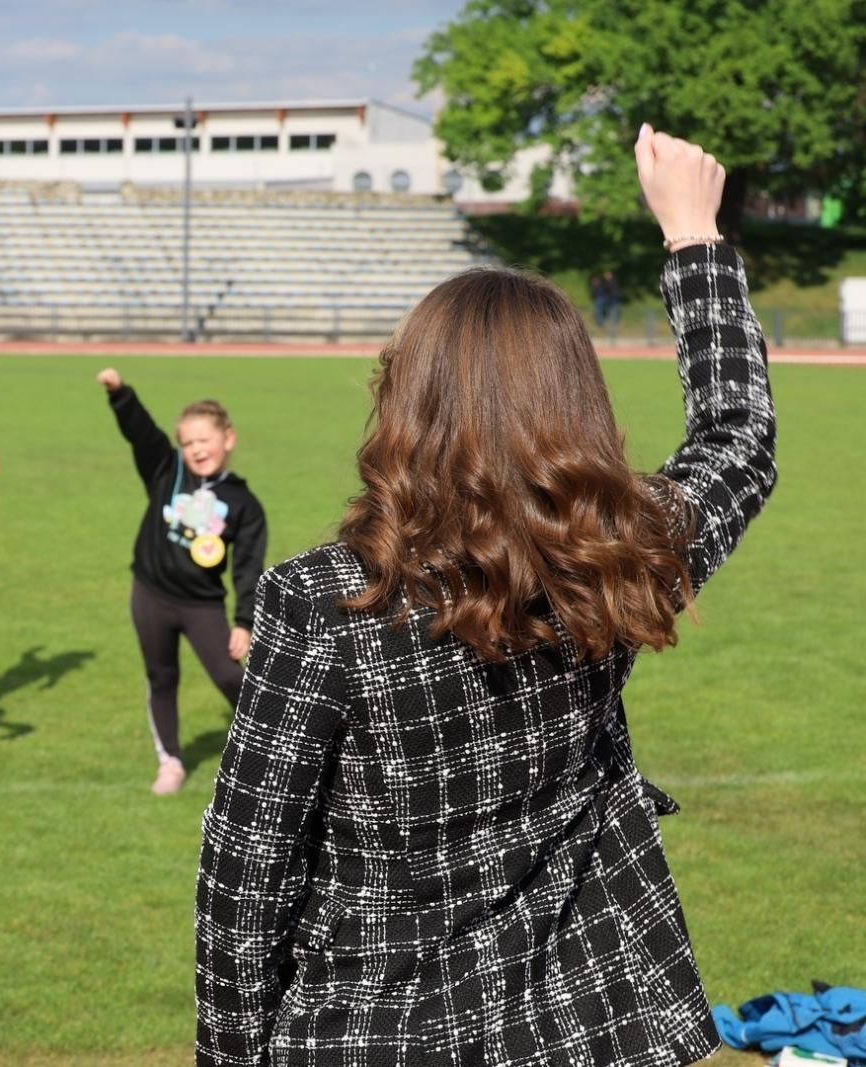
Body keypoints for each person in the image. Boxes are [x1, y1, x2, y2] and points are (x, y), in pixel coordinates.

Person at [194, 126, 777, 1065]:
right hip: (585, 1031)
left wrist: (229, 1053)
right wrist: (694, 237)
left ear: (406, 399)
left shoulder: (324, 600)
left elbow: (245, 876)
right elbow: (739, 435)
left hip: (381, 1031)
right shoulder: (614, 551)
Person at [97, 369, 267, 796]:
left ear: (228, 438)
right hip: (151, 595)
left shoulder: (243, 503)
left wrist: (244, 621)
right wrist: (121, 394)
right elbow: (142, 433)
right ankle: (169, 760)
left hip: (202, 605)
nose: (195, 449)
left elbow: (248, 567)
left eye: (204, 440)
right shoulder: (166, 470)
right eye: (187, 443)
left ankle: (270, 753)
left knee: (232, 680)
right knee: (162, 677)